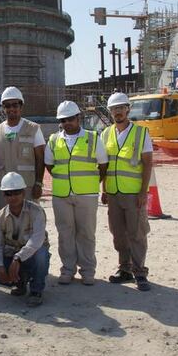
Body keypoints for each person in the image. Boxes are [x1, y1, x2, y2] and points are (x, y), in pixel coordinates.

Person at [45, 101, 108, 286]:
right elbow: (49, 164)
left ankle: (87, 271)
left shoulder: (93, 138)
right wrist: (62, 177)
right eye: (63, 120)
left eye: (70, 119)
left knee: (86, 233)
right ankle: (67, 269)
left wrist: (95, 181)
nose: (67, 123)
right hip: (62, 195)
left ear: (78, 118)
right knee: (65, 233)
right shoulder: (54, 140)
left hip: (87, 194)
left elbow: (103, 164)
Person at [101, 92, 154, 292]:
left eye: (121, 108)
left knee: (137, 233)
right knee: (118, 234)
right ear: (110, 112)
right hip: (114, 194)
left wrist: (143, 192)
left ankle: (140, 272)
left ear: (127, 109)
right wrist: (104, 189)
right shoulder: (106, 134)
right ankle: (125, 269)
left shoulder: (141, 133)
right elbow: (104, 165)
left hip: (133, 195)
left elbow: (148, 163)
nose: (117, 112)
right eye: (114, 109)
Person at [0, 172, 50, 306]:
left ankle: (36, 290)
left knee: (41, 255)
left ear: (23, 193)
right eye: (9, 193)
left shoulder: (37, 212)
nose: (13, 197)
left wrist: (18, 258)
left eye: (17, 192)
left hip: (31, 255)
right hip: (13, 256)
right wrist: (0, 266)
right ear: (4, 195)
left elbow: (36, 241)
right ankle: (20, 281)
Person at [0, 86, 46, 209]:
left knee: (30, 222)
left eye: (15, 105)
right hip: (3, 190)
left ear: (21, 106)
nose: (11, 108)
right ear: (3, 108)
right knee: (5, 222)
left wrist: (38, 183)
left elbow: (40, 159)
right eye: (7, 105)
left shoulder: (33, 129)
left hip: (27, 189)